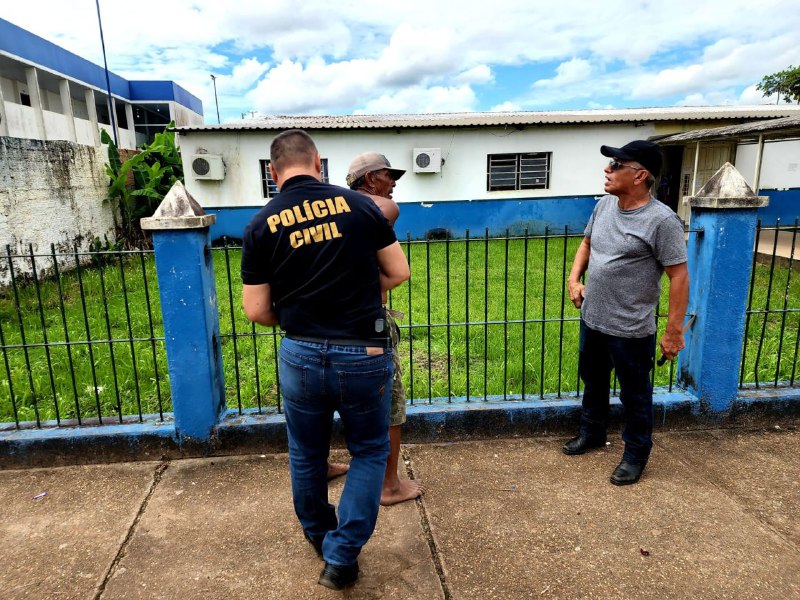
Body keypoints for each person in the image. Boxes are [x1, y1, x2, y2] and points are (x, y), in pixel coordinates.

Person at [241, 130, 410, 590]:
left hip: (300, 352)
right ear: (319, 164)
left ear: (273, 174)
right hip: (364, 350)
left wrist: (302, 311)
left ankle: (321, 537)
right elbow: (398, 272)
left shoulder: (259, 225)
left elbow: (256, 311)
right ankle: (342, 555)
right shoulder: (361, 208)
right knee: (371, 450)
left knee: (306, 452)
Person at [563, 140, 689, 486]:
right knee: (593, 380)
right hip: (594, 317)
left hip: (631, 328)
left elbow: (679, 275)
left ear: (640, 175)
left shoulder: (662, 221)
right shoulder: (604, 206)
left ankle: (636, 452)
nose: (608, 169)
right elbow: (587, 243)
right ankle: (592, 432)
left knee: (634, 394)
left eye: (616, 164)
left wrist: (673, 331)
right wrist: (574, 280)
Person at [346, 152, 426, 505]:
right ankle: (389, 485)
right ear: (369, 179)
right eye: (387, 175)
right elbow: (396, 271)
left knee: (329, 399)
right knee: (389, 403)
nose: (394, 182)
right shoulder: (380, 208)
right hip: (367, 319)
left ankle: (322, 465)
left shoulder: (331, 211)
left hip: (325, 324)